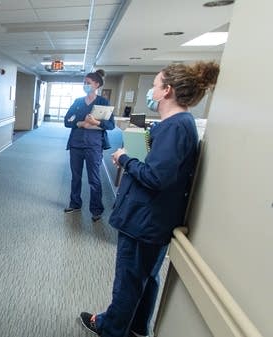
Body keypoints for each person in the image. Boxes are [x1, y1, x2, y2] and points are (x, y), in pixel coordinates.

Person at [79, 61, 219, 337]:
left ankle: (109, 328)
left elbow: (157, 177)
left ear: (167, 90)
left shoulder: (176, 126)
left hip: (144, 221)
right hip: (151, 219)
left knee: (128, 282)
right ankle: (138, 327)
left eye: (155, 85)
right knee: (145, 279)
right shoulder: (178, 124)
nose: (151, 91)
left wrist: (124, 158)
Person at [63, 69, 115, 221]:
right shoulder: (78, 102)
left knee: (94, 179)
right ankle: (75, 203)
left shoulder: (103, 102)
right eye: (84, 83)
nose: (85, 85)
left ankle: (96, 210)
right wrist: (81, 123)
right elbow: (67, 121)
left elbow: (111, 125)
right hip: (76, 145)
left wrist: (95, 122)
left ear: (97, 84)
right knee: (76, 177)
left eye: (88, 83)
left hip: (94, 146)